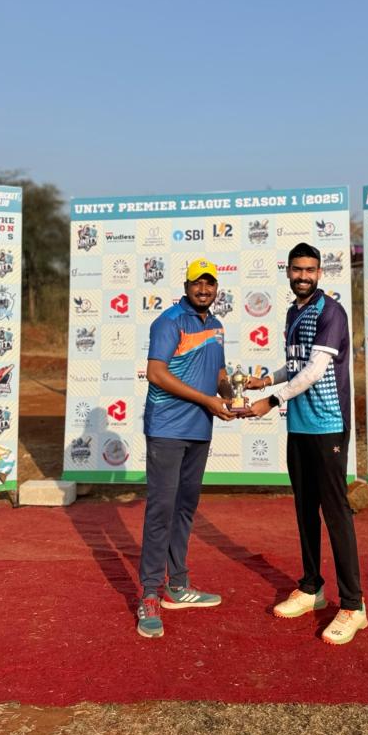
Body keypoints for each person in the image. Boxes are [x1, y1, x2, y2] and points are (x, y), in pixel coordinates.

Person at [247, 242, 367, 646]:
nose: (303, 276)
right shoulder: (293, 312)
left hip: (327, 425)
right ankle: (312, 587)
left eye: (309, 270)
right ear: (288, 271)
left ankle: (353, 605)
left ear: (319, 273)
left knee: (336, 512)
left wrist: (271, 400)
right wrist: (268, 379)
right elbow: (297, 364)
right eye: (297, 269)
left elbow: (316, 369)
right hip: (299, 426)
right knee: (305, 509)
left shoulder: (330, 311)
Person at [137, 258, 236, 639]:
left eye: (209, 283)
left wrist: (229, 395)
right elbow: (156, 373)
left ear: (216, 288)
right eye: (197, 283)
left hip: (199, 429)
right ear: (186, 285)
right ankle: (150, 594)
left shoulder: (216, 326)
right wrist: (207, 400)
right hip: (166, 428)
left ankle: (177, 585)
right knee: (161, 510)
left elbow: (220, 374)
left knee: (184, 509)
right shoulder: (169, 321)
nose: (203, 289)